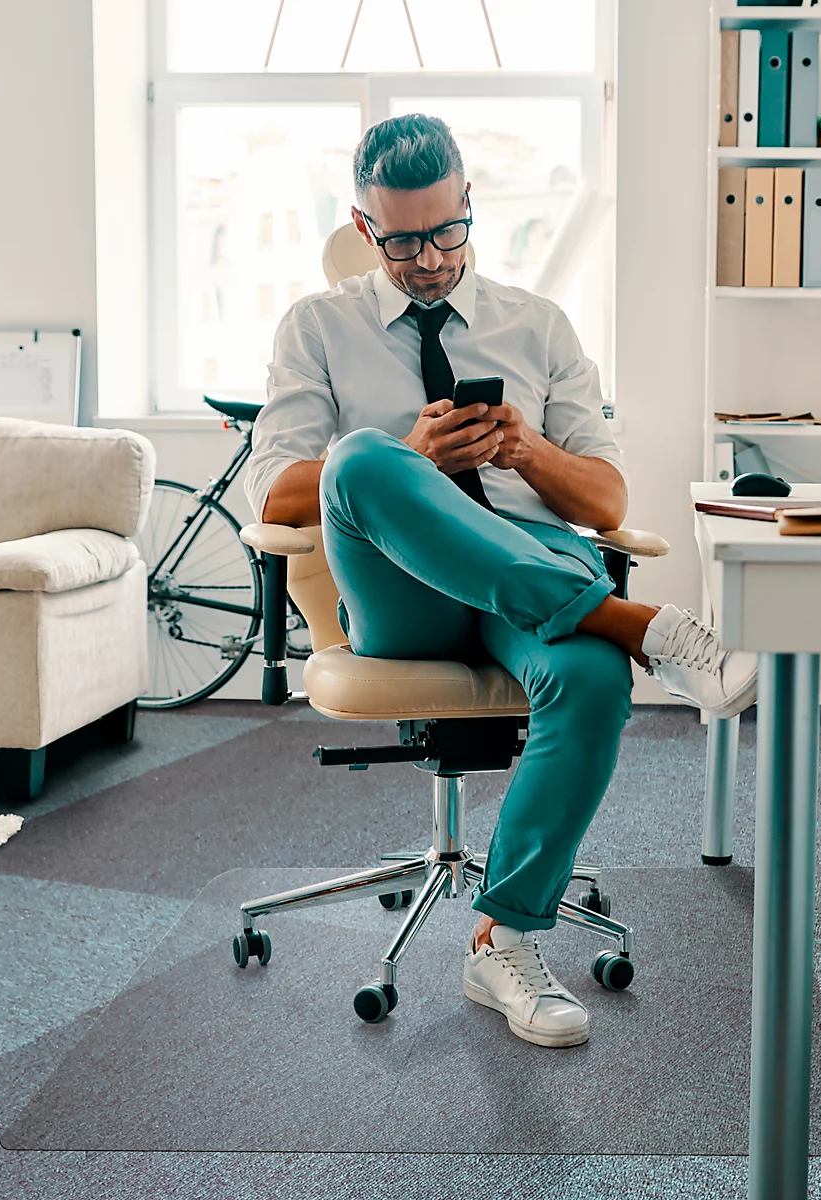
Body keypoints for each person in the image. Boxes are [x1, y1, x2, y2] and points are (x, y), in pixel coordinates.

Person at [246, 113, 757, 1049]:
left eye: (447, 231)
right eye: (401, 241)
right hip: (408, 591)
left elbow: (606, 501)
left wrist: (528, 447)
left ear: (471, 205)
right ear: (364, 229)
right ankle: (638, 624)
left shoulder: (540, 324)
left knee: (592, 676)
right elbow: (276, 493)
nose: (430, 259)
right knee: (360, 459)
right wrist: (410, 456)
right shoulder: (317, 327)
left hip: (532, 566)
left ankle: (506, 938)